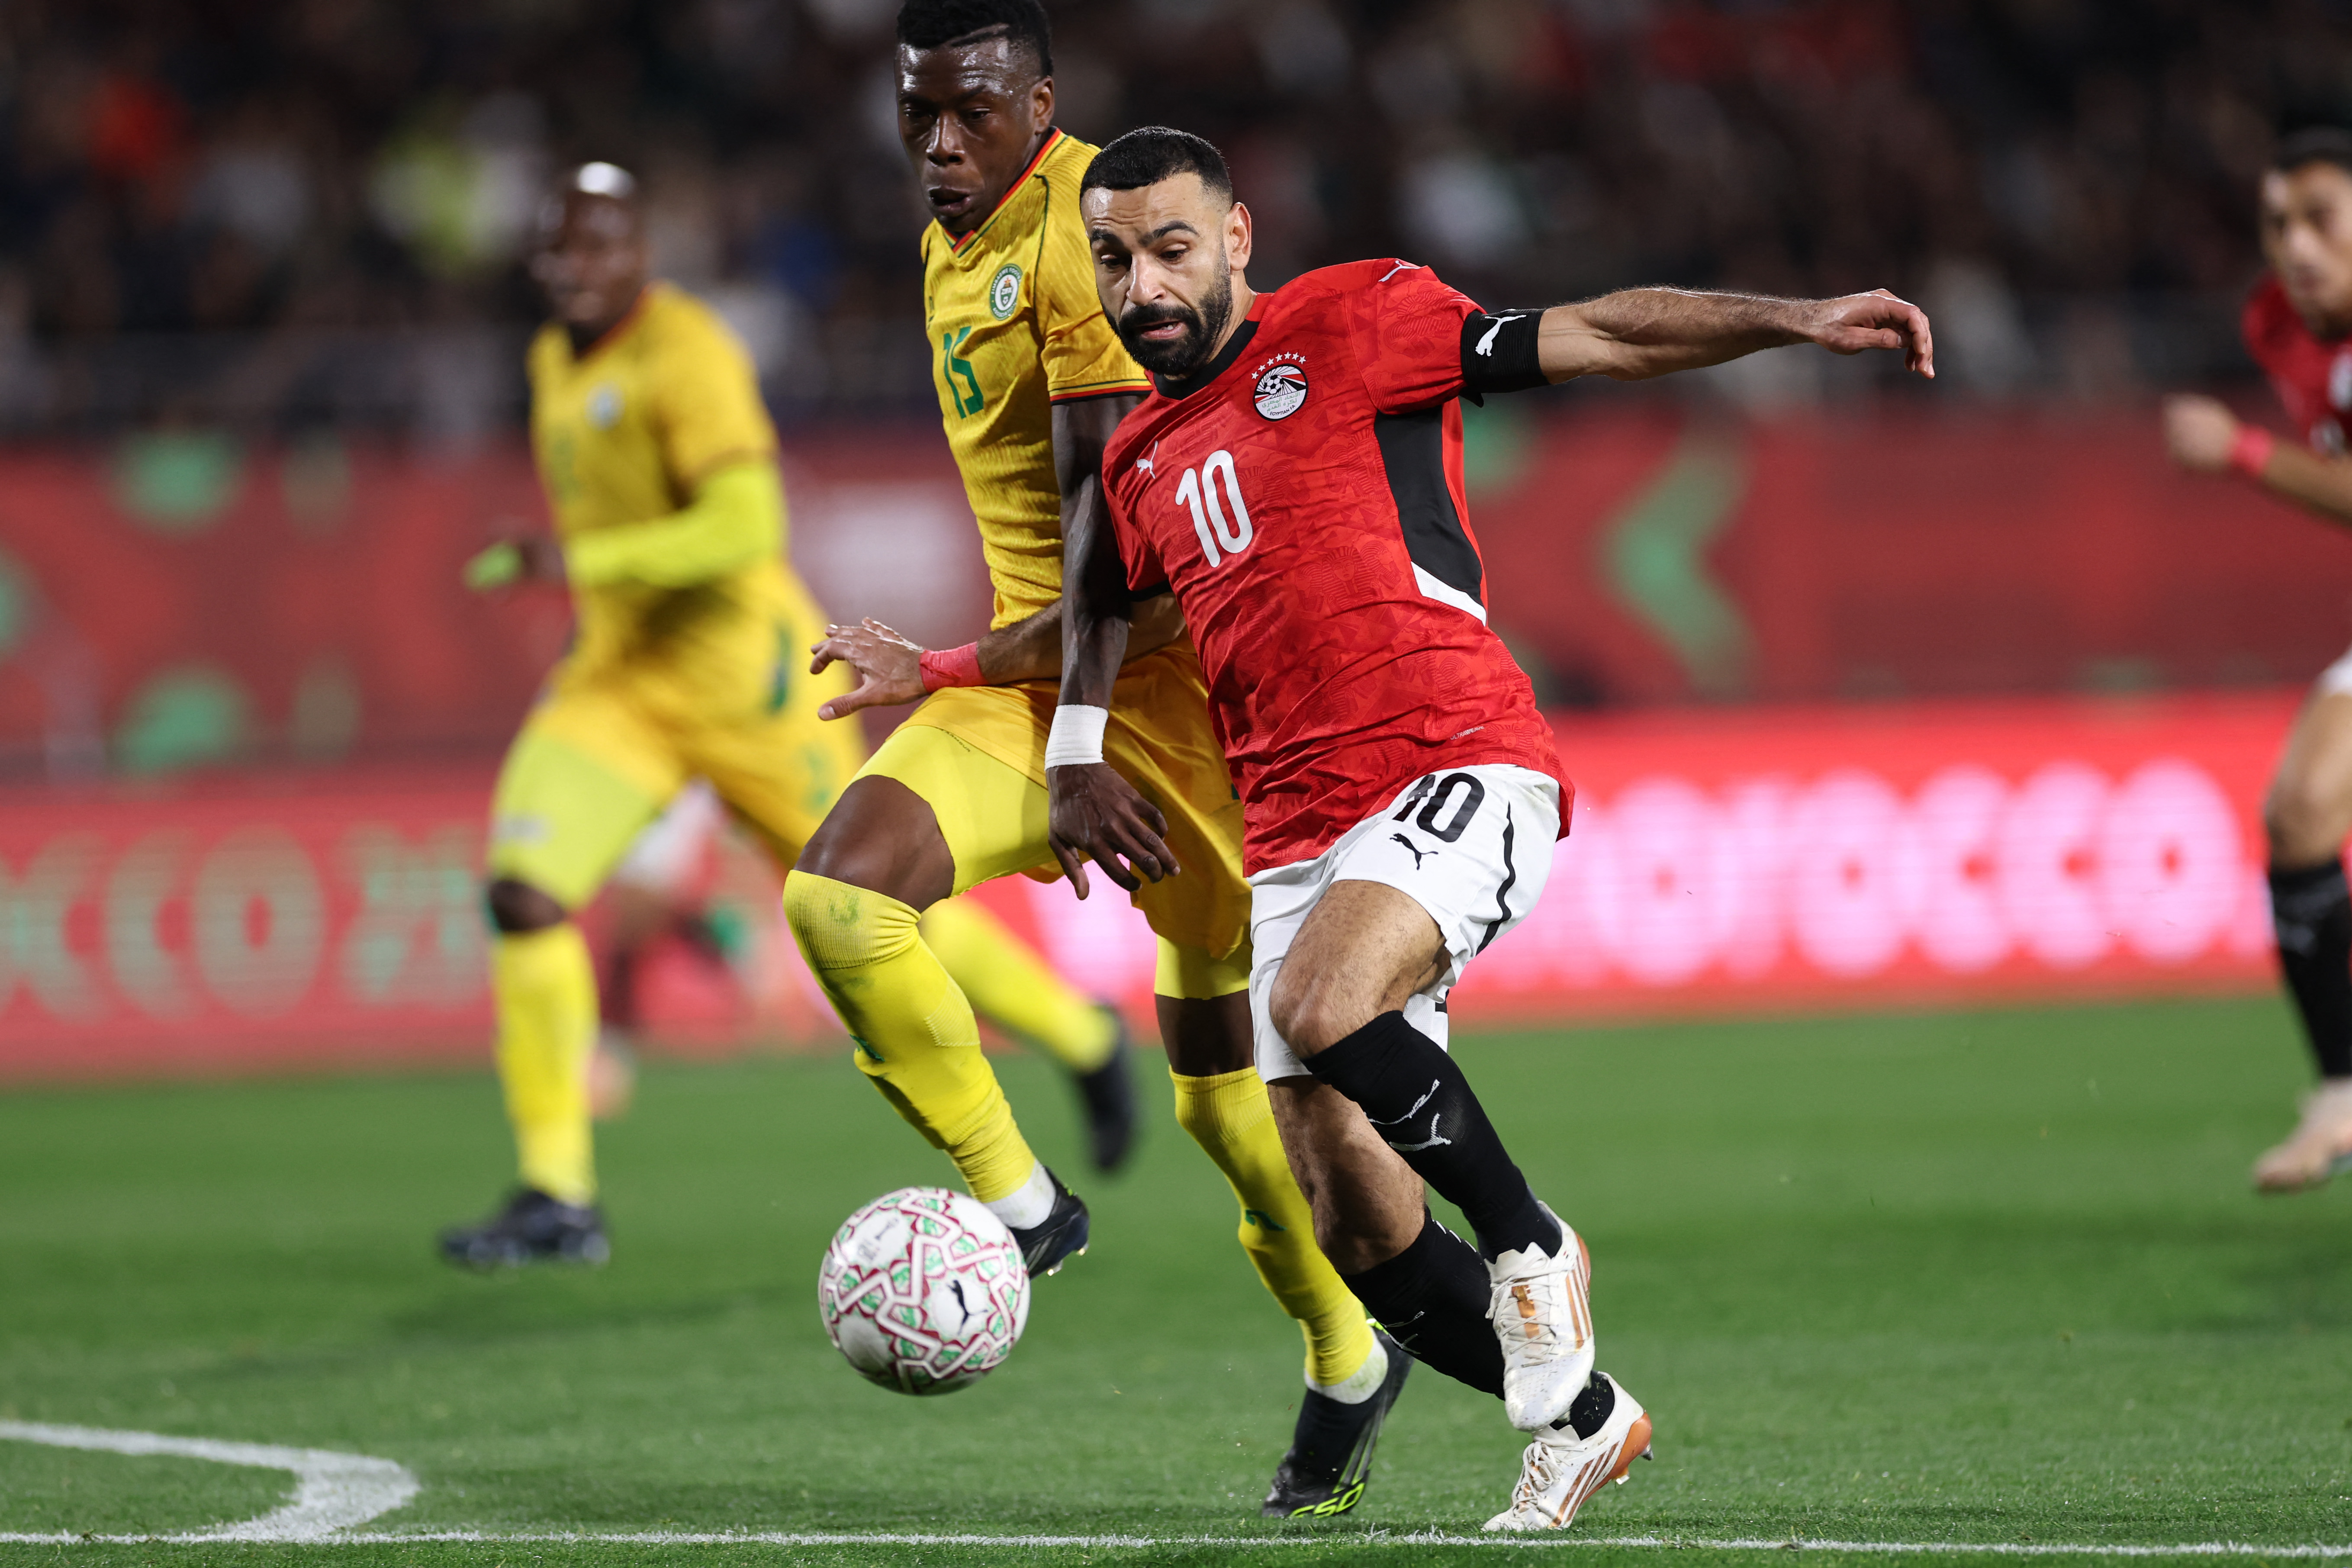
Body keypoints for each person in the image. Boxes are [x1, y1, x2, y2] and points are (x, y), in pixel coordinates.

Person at [1051, 126, 1934, 1530]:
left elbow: (1599, 334)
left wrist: (1792, 319)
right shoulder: (1142, 460)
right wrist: (967, 682)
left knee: (1318, 1004)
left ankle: (1531, 1244)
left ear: (1235, 238)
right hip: (1289, 830)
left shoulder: (1356, 315)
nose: (1141, 285)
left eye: (1169, 248)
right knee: (1351, 1217)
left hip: (1449, 753)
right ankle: (1583, 1418)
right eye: (1112, 258)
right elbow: (1099, 616)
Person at [783, 0, 1405, 1519]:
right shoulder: (951, 242)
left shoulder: (1082, 239)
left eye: (973, 112)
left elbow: (1114, 542)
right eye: (918, 115)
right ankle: (1025, 1206)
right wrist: (986, 687)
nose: (941, 144)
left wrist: (1063, 738)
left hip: (1176, 712)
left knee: (1227, 1111)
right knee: (839, 898)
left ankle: (1350, 1358)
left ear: (1041, 105)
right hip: (1034, 681)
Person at [439, 161, 1141, 1269]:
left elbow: (745, 527)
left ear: (641, 254)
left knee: (873, 898)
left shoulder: (688, 356)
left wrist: (579, 561)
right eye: (560, 248)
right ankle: (557, 1196)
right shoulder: (551, 361)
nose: (577, 268)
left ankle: (1080, 1032)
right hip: (618, 685)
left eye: (600, 245)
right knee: (523, 894)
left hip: (749, 689)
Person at [2165, 127, 2352, 1195]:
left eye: (2323, 218)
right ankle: (2344, 1090)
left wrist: (2242, 452)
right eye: (2279, 225)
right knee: (2302, 812)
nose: (2298, 246)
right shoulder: (2278, 326)